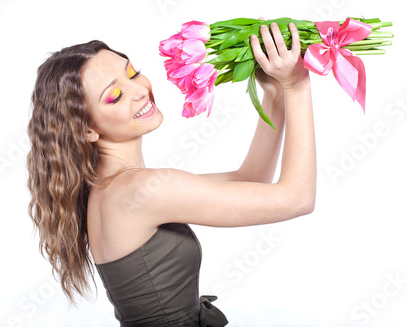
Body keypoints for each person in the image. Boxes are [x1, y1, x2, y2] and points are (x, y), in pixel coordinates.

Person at [26, 21, 316, 326]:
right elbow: (297, 199)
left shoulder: (115, 189)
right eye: (115, 96)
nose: (139, 90)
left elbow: (251, 180)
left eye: (133, 73)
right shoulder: (142, 190)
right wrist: (297, 86)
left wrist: (274, 98)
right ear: (87, 129)